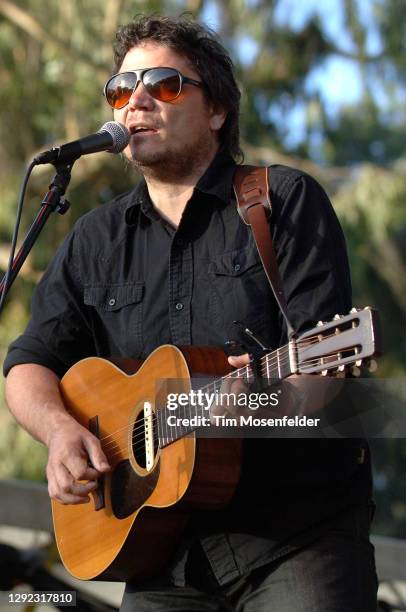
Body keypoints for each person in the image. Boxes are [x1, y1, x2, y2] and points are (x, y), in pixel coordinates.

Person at [4, 15, 377, 611]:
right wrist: (58, 431)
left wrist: (255, 405)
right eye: (122, 90)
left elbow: (323, 378)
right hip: (159, 553)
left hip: (295, 538)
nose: (138, 100)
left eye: (166, 85)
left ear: (217, 112)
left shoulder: (280, 201)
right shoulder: (94, 239)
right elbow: (28, 363)